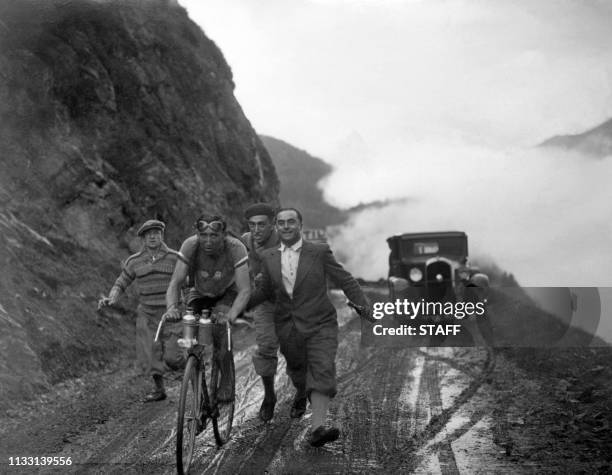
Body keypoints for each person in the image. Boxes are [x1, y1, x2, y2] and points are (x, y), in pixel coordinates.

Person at [249, 207, 373, 447]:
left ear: (300, 225)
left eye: (291, 222)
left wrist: (363, 306)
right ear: (276, 226)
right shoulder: (268, 256)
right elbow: (263, 290)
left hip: (320, 323)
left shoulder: (319, 252)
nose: (286, 226)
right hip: (288, 325)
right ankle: (301, 391)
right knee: (298, 372)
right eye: (281, 223)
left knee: (320, 368)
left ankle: (317, 428)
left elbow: (345, 279)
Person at [164, 214, 251, 399]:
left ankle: (226, 379)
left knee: (220, 328)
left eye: (214, 236)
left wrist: (231, 315)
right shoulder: (190, 245)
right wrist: (171, 307)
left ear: (224, 235)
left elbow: (244, 290)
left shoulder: (236, 248)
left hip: (228, 292)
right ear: (197, 234)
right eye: (204, 235)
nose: (208, 241)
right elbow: (175, 282)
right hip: (200, 291)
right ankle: (195, 370)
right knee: (187, 334)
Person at [98, 219, 184, 402]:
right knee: (150, 353)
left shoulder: (176, 258)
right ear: (143, 238)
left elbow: (188, 282)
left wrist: (185, 306)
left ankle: (192, 372)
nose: (153, 237)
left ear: (162, 235)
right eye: (148, 234)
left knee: (173, 358)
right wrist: (111, 297)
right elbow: (121, 282)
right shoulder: (134, 261)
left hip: (172, 312)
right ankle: (160, 389)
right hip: (147, 313)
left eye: (156, 233)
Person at [241, 203, 281, 422]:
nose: (256, 230)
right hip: (263, 303)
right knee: (266, 345)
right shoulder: (246, 241)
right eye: (252, 225)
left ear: (273, 224)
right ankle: (269, 395)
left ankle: (303, 393)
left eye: (262, 225)